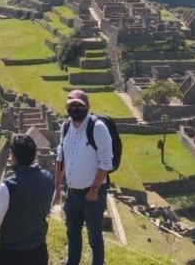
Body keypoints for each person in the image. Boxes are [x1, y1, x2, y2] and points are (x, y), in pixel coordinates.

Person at [54, 89, 113, 265]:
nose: (75, 108)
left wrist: (94, 189)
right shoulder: (65, 126)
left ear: (87, 106)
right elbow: (60, 158)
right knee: (72, 232)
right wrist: (57, 189)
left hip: (92, 194)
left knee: (94, 236)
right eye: (71, 105)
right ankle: (72, 262)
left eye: (78, 105)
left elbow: (106, 162)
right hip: (72, 193)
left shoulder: (97, 127)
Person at [0, 134, 54, 265]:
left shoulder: (7, 186)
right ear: (34, 154)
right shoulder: (48, 179)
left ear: (13, 156)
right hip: (38, 250)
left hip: (12, 252)